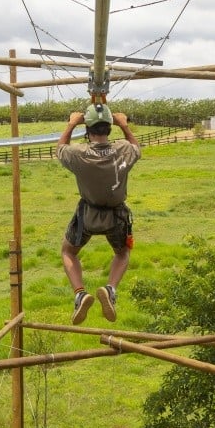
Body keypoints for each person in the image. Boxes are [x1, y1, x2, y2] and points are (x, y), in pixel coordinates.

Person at [57, 104, 140, 324]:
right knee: (122, 254)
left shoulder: (79, 154)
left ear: (88, 129)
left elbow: (60, 149)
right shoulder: (123, 150)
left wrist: (71, 123)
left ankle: (80, 293)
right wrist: (124, 125)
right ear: (109, 128)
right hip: (116, 216)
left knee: (68, 252)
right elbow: (136, 147)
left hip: (88, 215)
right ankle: (111, 289)